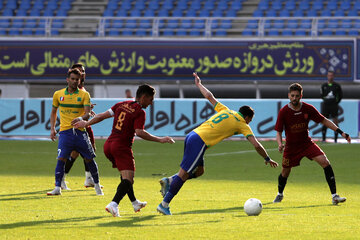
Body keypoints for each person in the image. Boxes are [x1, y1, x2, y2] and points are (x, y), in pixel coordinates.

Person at [156, 73, 279, 215]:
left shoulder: (226, 110)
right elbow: (256, 145)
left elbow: (209, 96)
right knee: (183, 174)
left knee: (200, 171)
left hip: (192, 135)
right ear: (247, 117)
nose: (249, 123)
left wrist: (198, 84)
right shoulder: (242, 123)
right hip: (200, 142)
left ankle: (170, 180)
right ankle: (164, 204)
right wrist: (267, 158)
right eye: (250, 120)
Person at [74, 84, 175, 217]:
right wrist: (160, 139)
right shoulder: (140, 112)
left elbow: (102, 116)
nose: (151, 103)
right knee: (128, 180)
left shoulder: (121, 104)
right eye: (151, 99)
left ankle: (134, 203)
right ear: (143, 97)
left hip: (108, 145)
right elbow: (140, 132)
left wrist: (86, 123)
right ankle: (114, 204)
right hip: (121, 147)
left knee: (125, 176)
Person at [273, 83, 350, 205]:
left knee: (325, 162)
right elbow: (278, 131)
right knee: (285, 172)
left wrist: (341, 132)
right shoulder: (284, 112)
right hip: (291, 147)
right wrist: (280, 143)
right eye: (292, 95)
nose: (294, 98)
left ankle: (334, 196)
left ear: (301, 96)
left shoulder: (308, 108)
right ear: (288, 96)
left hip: (306, 144)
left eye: (297, 96)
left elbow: (324, 120)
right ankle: (280, 194)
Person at [47, 68, 103, 196]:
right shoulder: (58, 94)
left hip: (80, 132)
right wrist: (52, 129)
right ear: (67, 79)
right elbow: (54, 112)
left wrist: (81, 118)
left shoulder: (84, 95)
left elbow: (88, 114)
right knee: (61, 159)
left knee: (89, 159)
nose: (74, 81)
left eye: (77, 79)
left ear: (80, 80)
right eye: (72, 79)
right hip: (65, 133)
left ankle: (97, 186)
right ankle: (57, 187)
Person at [61, 63, 100, 190]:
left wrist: (88, 109)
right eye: (80, 71)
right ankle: (63, 178)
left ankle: (88, 179)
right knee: (83, 151)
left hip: (83, 122)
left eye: (83, 71)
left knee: (79, 152)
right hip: (79, 124)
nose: (82, 73)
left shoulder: (81, 88)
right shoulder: (75, 88)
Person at [320, 70, 343, 143]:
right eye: (329, 75)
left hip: (334, 106)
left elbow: (340, 96)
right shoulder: (324, 86)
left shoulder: (337, 86)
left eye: (331, 75)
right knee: (324, 121)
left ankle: (335, 139)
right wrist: (327, 101)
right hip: (326, 106)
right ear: (327, 76)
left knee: (335, 121)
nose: (330, 77)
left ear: (333, 76)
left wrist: (335, 102)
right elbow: (322, 95)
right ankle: (323, 139)